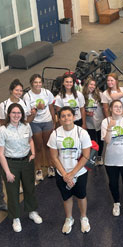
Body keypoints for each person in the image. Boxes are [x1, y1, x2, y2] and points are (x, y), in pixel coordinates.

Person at [47, 106, 92, 234]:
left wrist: (72, 174)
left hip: (79, 172)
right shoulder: (55, 134)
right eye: (63, 116)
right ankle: (69, 218)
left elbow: (86, 156)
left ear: (73, 117)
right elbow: (54, 157)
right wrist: (65, 174)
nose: (66, 118)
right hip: (62, 173)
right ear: (59, 119)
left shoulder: (81, 132)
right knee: (66, 197)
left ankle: (83, 217)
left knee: (81, 196)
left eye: (69, 115)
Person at [0, 103, 42, 232]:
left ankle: (32, 211)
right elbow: (0, 153)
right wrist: (7, 172)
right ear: (9, 114)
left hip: (26, 161)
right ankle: (15, 217)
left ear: (22, 114)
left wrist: (33, 153)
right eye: (13, 112)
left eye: (19, 113)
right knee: (12, 192)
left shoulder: (26, 126)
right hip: (10, 163)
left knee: (30, 187)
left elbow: (30, 140)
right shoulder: (3, 130)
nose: (16, 115)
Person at [101, 100, 123, 216]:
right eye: (115, 107)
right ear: (110, 108)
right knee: (113, 183)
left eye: (120, 107)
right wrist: (110, 127)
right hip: (111, 160)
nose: (118, 109)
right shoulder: (105, 122)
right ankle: (116, 203)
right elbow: (107, 140)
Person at [23, 74, 56, 181]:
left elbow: (51, 108)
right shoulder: (27, 96)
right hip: (35, 123)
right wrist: (36, 108)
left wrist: (53, 121)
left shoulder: (47, 93)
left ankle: (51, 166)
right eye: (35, 82)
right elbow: (28, 114)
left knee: (48, 145)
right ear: (32, 83)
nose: (38, 84)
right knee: (37, 147)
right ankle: (38, 169)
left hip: (47, 122)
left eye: (39, 82)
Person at [82, 77, 104, 164]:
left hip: (99, 120)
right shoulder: (82, 95)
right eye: (91, 84)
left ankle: (99, 157)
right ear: (87, 85)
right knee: (92, 140)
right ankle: (93, 157)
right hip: (89, 122)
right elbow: (81, 109)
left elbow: (104, 107)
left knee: (100, 140)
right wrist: (87, 114)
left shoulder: (99, 94)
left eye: (94, 85)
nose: (92, 86)